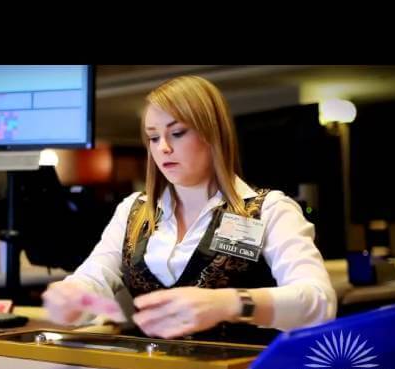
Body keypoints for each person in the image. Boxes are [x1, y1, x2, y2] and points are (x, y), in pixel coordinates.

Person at [42, 75, 336, 343]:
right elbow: (94, 278)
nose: (163, 148)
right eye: (154, 137)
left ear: (213, 135)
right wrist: (73, 297)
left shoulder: (268, 210)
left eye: (178, 133)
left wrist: (229, 304)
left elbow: (320, 304)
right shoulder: (134, 210)